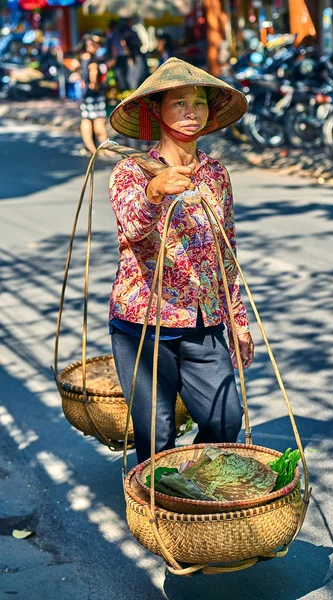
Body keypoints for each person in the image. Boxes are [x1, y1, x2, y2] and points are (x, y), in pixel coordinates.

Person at [108, 58, 254, 464]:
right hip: (143, 324)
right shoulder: (131, 172)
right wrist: (155, 191)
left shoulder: (216, 175)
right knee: (156, 429)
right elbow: (132, 227)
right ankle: (160, 507)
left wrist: (238, 323)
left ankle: (192, 473)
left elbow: (227, 253)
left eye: (199, 102)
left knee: (225, 419)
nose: (191, 112)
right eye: (179, 103)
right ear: (157, 111)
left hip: (204, 322)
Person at [79, 34, 108, 155]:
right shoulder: (93, 60)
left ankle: (91, 148)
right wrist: (95, 84)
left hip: (86, 95)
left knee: (86, 119)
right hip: (95, 95)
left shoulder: (84, 57)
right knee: (99, 121)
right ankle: (106, 149)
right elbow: (93, 73)